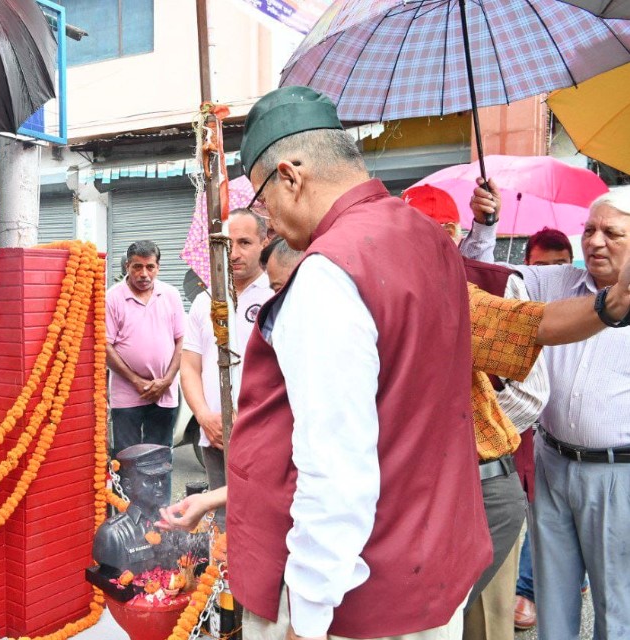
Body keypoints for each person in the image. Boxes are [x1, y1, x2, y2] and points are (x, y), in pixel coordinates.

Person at [157, 87, 630, 640]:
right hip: (423, 568)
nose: (272, 223)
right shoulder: (427, 244)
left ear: (290, 176)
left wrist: (306, 615)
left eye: (263, 201)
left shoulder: (330, 271)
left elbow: (336, 469)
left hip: (360, 594)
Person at [464, 183, 630, 640]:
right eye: (590, 229)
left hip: (618, 473)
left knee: (617, 603)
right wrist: (485, 224)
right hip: (552, 461)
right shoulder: (556, 281)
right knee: (552, 596)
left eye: (612, 233)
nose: (595, 241)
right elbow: (483, 275)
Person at [403, 184, 550, 640]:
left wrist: (456, 431)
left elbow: (531, 394)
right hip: (422, 488)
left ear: (448, 232)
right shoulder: (397, 287)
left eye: (413, 233)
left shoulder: (497, 282)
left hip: (489, 476)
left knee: (485, 618)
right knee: (427, 614)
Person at [180, 209, 271, 512]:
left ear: (264, 241)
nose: (234, 253)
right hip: (215, 436)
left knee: (261, 516)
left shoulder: (276, 293)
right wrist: (204, 417)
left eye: (245, 242)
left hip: (265, 435)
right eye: (226, 244)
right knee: (221, 521)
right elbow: (190, 368)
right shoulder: (205, 301)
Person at [513, 227, 577, 631]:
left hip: (601, 453)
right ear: (528, 268)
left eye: (562, 264)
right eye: (544, 267)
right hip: (538, 438)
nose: (555, 272)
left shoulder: (592, 301)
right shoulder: (520, 298)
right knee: (541, 521)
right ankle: (528, 589)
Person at [105, 240, 184, 461]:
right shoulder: (113, 297)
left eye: (150, 267)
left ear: (158, 267)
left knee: (160, 457)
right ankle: (128, 498)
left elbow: (181, 340)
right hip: (127, 394)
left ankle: (160, 498)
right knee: (127, 458)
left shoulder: (171, 295)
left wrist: (167, 381)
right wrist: (135, 381)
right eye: (137, 267)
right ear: (127, 266)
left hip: (164, 392)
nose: (144, 274)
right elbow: (105, 346)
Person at [93, 444, 173, 573]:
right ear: (128, 486)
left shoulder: (175, 522)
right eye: (150, 480)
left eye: (163, 478)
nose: (160, 485)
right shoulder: (112, 534)